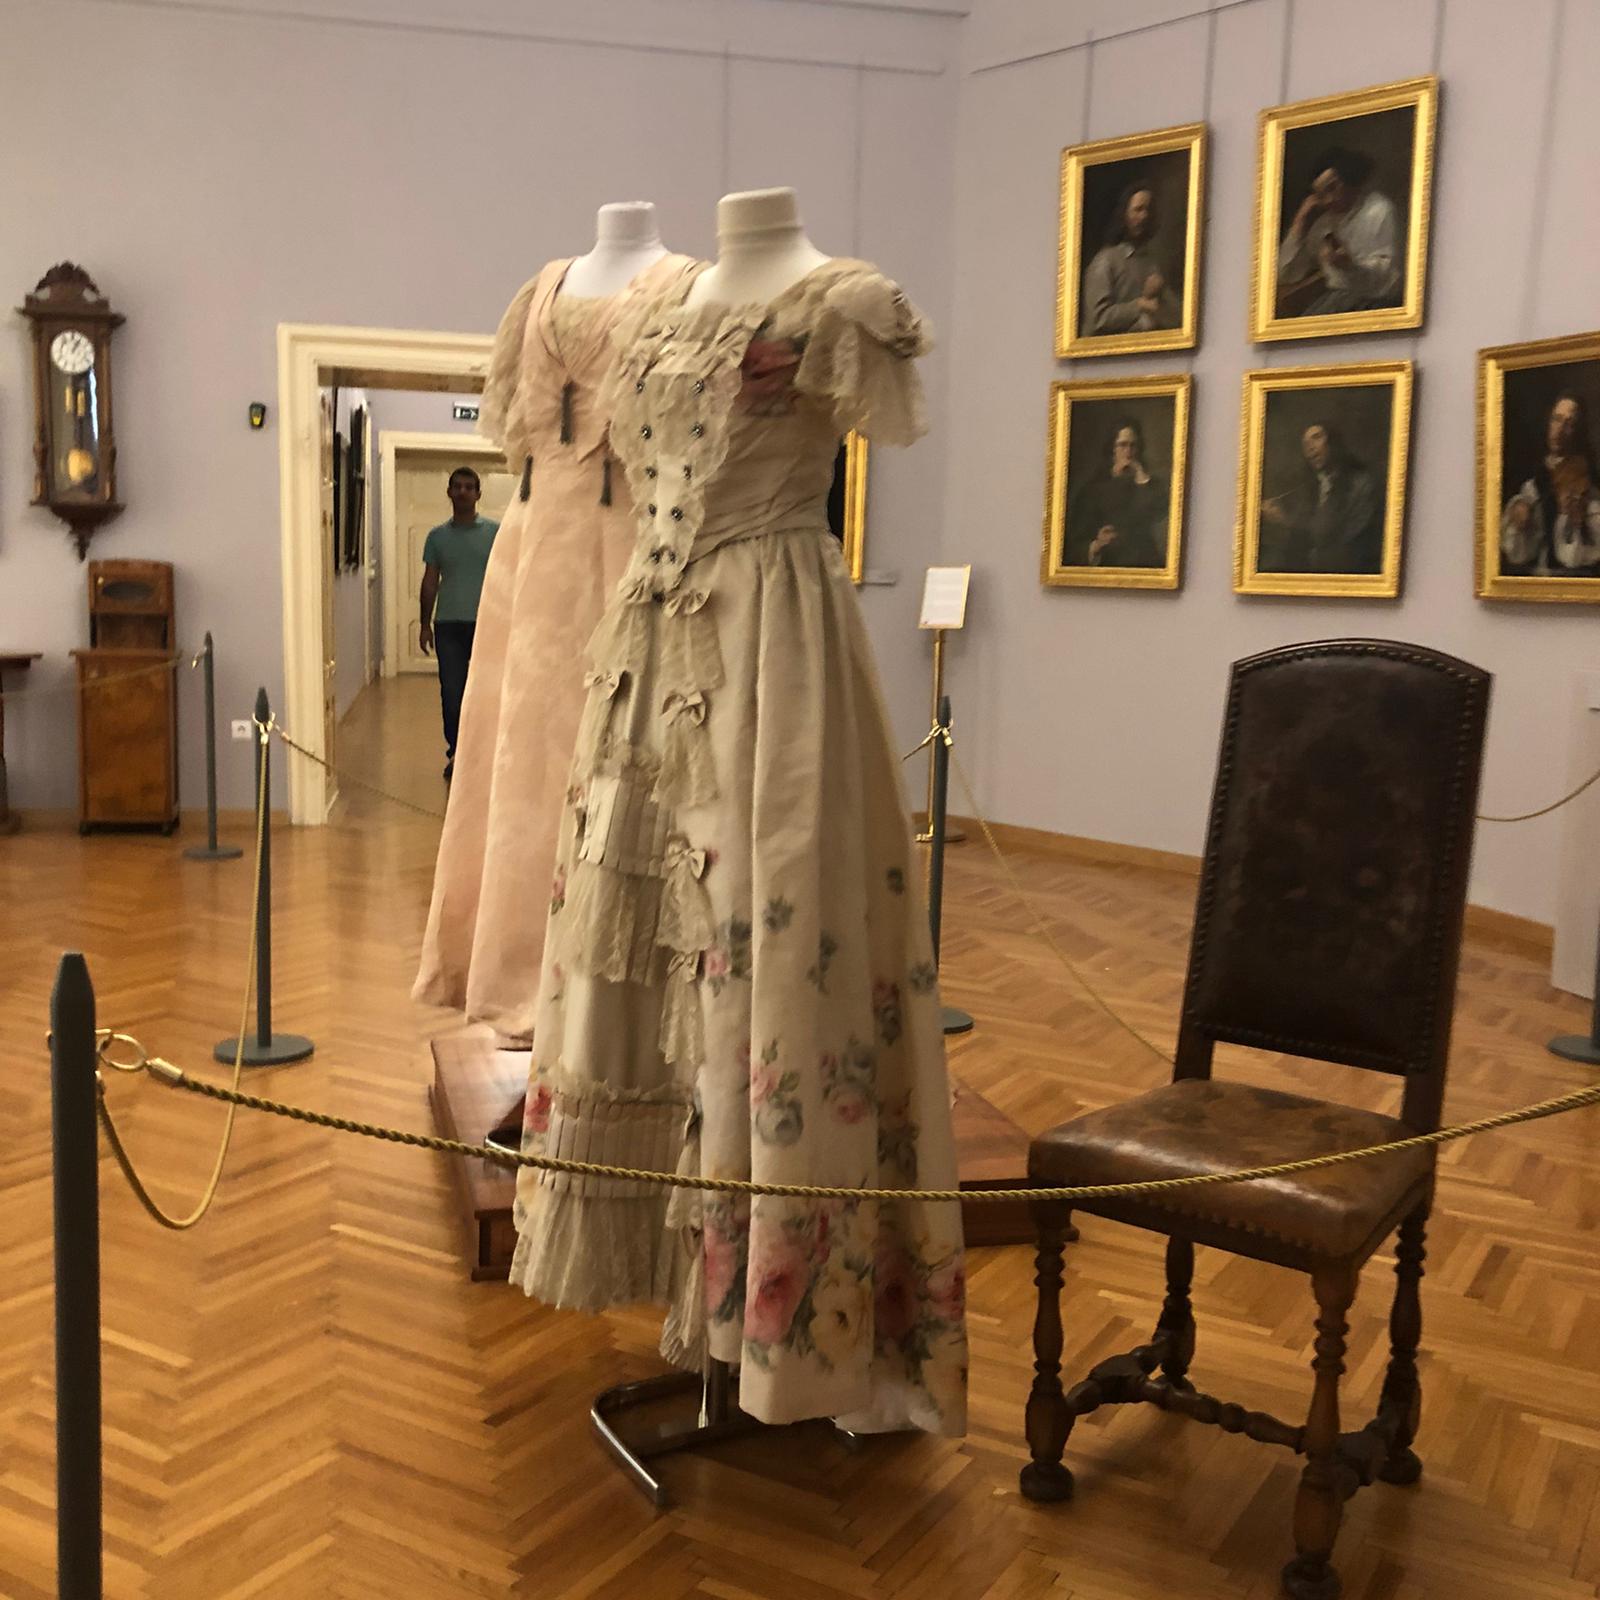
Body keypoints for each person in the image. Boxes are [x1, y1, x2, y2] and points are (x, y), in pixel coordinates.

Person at [419, 466, 498, 780]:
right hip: (448, 625)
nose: (463, 492)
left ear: (478, 494)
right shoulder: (437, 537)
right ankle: (457, 753)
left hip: (488, 625)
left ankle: (486, 753)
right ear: (449, 493)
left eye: (469, 487)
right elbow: (429, 582)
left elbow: (509, 576)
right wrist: (424, 624)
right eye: (458, 487)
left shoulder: (496, 533)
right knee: (452, 694)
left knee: (487, 693)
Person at [1276, 146, 1401, 317]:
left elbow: (1388, 281)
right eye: (1320, 194)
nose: (1327, 200)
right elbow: (1285, 275)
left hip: (1374, 302)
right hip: (1334, 301)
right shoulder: (1323, 223)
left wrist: (1350, 266)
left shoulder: (1379, 210)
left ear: (1350, 179)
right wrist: (1300, 222)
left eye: (1332, 188)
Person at [1259, 420, 1383, 574]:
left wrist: (1285, 521)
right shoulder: (1312, 486)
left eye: (1316, 437)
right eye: (1305, 443)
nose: (1310, 447)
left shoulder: (1361, 485)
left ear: (1333, 442)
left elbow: (1340, 541)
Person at [1500, 392, 1600, 577]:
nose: (1559, 430)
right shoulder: (1534, 477)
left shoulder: (1585, 482)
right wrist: (1519, 515)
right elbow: (1518, 551)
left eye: (1569, 424)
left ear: (1578, 432)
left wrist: (1578, 523)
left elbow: (1585, 553)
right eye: (1557, 419)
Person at [1062, 416, 1169, 567]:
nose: (1129, 451)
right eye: (1123, 445)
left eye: (1133, 445)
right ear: (1112, 449)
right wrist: (1097, 544)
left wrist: (1142, 478)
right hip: (1109, 563)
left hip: (1144, 563)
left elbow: (1161, 511)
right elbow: (1075, 543)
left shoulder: (1147, 484)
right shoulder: (1092, 490)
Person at [1081, 180, 1181, 336]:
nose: (1144, 216)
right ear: (1124, 215)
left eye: (1148, 210)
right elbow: (1098, 319)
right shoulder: (1105, 261)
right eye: (1138, 209)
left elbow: (1179, 319)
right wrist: (1140, 304)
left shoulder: (1152, 263)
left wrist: (1160, 296)